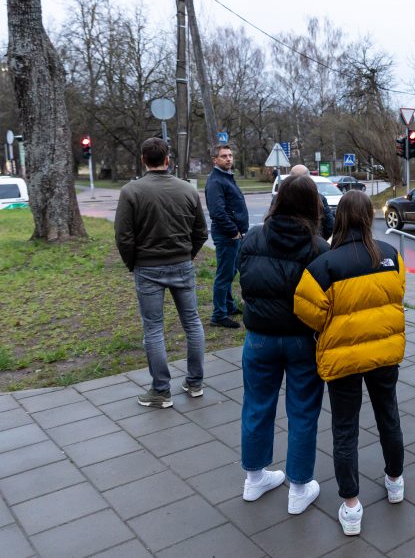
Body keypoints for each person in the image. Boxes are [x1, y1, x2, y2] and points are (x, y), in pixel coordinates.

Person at [294, 190, 406, 537]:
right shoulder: (391, 256)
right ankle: (395, 481)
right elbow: (398, 294)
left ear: (339, 218)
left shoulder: (323, 267)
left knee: (345, 429)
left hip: (342, 360)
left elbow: (307, 312)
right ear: (368, 218)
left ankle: (352, 506)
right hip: (384, 355)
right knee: (388, 416)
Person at [237, 174, 329, 514]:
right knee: (303, 410)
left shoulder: (253, 237)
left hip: (259, 337)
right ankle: (299, 487)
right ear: (312, 205)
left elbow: (243, 279)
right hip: (303, 339)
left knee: (256, 405)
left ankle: (254, 478)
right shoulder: (319, 248)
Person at [114, 137, 207, 408]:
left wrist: (133, 263)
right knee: (192, 322)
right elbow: (201, 232)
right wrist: (186, 255)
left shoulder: (131, 191)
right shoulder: (187, 190)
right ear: (168, 159)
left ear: (143, 159)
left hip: (148, 267)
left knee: (153, 329)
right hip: (182, 265)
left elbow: (124, 236)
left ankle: (161, 390)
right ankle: (195, 382)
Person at [205, 143, 249, 329]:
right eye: (224, 156)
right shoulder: (216, 181)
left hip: (233, 235)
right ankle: (219, 315)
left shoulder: (226, 177)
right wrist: (233, 231)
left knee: (230, 272)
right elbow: (217, 212)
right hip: (227, 235)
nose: (228, 158)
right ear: (215, 159)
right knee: (224, 275)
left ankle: (229, 307)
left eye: (230, 155)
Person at [288, 164, 333, 239]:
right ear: (309, 178)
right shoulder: (319, 199)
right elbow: (329, 225)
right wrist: (321, 240)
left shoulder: (279, 198)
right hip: (314, 243)